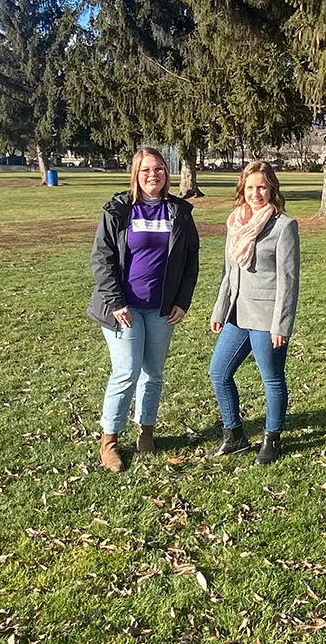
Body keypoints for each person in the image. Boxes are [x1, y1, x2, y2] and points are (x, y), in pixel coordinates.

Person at [87, 147, 200, 472]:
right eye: (147, 170)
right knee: (126, 372)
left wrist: (182, 300)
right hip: (123, 308)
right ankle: (108, 442)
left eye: (160, 169)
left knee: (153, 373)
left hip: (162, 309)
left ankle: (146, 431)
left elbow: (190, 258)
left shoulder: (179, 211)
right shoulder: (119, 210)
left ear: (167, 173)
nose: (154, 175)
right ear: (136, 174)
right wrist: (116, 301)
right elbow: (102, 258)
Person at [209, 160, 300, 465]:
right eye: (250, 187)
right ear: (242, 190)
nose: (256, 193)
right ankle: (233, 435)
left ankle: (272, 438)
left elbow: (288, 281)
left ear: (272, 188)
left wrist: (281, 326)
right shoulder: (235, 222)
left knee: (271, 379)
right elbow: (228, 272)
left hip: (266, 318)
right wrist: (219, 310)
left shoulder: (284, 226)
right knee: (218, 372)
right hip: (237, 314)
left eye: (261, 186)